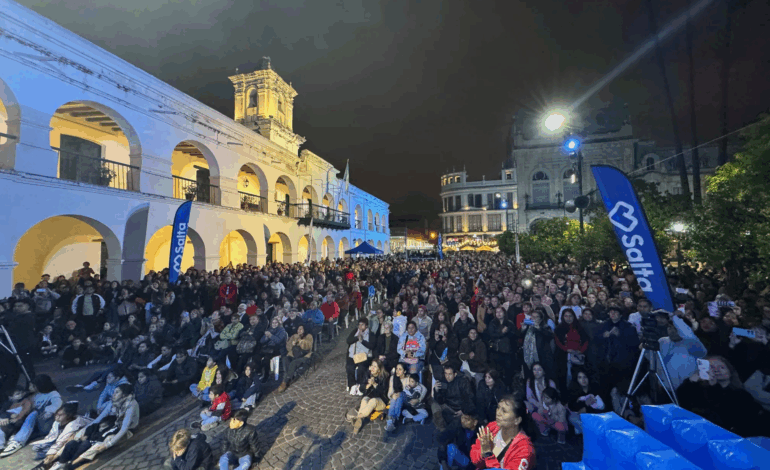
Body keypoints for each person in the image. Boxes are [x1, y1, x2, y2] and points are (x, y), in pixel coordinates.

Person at [677, 355, 766, 437]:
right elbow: (682, 400)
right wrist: (691, 381)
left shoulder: (741, 394)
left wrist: (714, 387)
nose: (717, 370)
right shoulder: (698, 390)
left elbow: (729, 415)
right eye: (711, 367)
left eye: (721, 367)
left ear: (730, 371)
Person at [0, 375, 62, 457]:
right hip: (33, 425)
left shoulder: (53, 394)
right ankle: (12, 438)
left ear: (39, 386)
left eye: (32, 385)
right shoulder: (33, 395)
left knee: (34, 413)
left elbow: (55, 406)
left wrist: (47, 411)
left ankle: (18, 441)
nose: (29, 387)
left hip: (46, 423)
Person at [470, 396, 536, 469]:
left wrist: (488, 454)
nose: (498, 413)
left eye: (504, 411)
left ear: (517, 420)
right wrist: (482, 454)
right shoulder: (492, 427)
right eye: (498, 407)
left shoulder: (525, 449)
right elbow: (474, 459)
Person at [29, 402, 90, 469]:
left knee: (62, 448)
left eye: (60, 415)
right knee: (38, 449)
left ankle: (48, 464)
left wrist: (52, 454)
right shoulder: (57, 422)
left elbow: (61, 441)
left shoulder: (73, 425)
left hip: (76, 443)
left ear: (69, 415)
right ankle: (48, 462)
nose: (57, 416)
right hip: (59, 443)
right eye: (56, 414)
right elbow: (51, 436)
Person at [431, 364, 476, 434]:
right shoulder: (443, 381)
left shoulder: (463, 381)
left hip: (460, 408)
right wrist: (436, 391)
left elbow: (470, 398)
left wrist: (463, 410)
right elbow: (440, 401)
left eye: (450, 374)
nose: (447, 376)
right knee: (434, 404)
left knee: (458, 425)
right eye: (446, 373)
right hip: (449, 406)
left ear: (455, 374)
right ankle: (441, 428)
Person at [348, 359, 389, 434]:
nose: (372, 368)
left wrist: (374, 384)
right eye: (372, 366)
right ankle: (359, 420)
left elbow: (383, 392)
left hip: (381, 401)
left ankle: (356, 417)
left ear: (379, 370)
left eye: (375, 367)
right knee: (364, 399)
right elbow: (361, 388)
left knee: (372, 401)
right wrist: (367, 386)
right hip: (370, 397)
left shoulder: (384, 377)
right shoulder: (368, 374)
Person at [553, 308, 589, 394]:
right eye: (566, 316)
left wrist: (581, 350)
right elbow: (557, 341)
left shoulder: (579, 327)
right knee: (564, 377)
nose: (568, 318)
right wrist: (566, 349)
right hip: (563, 357)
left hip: (577, 356)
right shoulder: (559, 328)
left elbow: (586, 340)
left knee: (577, 377)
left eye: (570, 316)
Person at [566, 369, 605, 435]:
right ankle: (590, 432)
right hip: (580, 416)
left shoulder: (595, 388)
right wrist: (585, 404)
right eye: (580, 378)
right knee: (572, 418)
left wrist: (587, 408)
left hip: (594, 415)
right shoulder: (574, 390)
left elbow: (601, 406)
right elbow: (572, 406)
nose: (583, 380)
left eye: (585, 377)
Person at [277, 324, 314, 393]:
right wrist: (292, 344)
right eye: (298, 329)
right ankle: (289, 377)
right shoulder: (294, 336)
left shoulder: (308, 336)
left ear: (304, 330)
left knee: (293, 363)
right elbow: (288, 347)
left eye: (301, 329)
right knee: (285, 359)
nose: (299, 331)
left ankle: (284, 382)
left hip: (303, 356)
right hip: (292, 355)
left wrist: (299, 341)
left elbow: (308, 347)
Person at [346, 318, 375, 395]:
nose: (360, 326)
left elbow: (372, 346)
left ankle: (360, 385)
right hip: (354, 356)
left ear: (366, 326)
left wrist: (362, 341)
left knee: (361, 369)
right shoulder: (355, 331)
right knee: (350, 367)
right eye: (359, 324)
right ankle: (352, 385)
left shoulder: (370, 334)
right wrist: (357, 338)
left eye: (362, 325)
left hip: (364, 356)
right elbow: (348, 340)